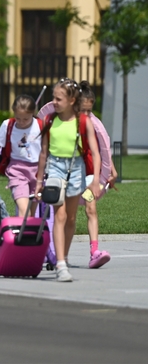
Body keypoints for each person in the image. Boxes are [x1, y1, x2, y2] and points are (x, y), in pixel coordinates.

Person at [36, 78, 101, 282]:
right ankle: (61, 264)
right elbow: (44, 153)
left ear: (72, 100)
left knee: (71, 218)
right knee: (60, 216)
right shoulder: (49, 120)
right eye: (53, 98)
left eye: (58, 98)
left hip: (76, 168)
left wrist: (95, 180)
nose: (54, 102)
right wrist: (39, 181)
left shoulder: (83, 121)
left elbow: (96, 153)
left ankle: (64, 254)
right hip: (55, 168)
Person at [77, 81, 117, 268]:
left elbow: (103, 150)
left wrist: (111, 170)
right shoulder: (66, 123)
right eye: (82, 110)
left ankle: (94, 252)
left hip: (91, 175)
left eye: (89, 110)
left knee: (90, 208)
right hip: (71, 174)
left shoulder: (94, 124)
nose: (86, 115)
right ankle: (54, 253)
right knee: (64, 216)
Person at [0, 95, 42, 218]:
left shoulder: (40, 126)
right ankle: (23, 235)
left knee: (31, 212)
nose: (21, 122)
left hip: (38, 172)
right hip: (17, 170)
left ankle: (27, 234)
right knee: (24, 208)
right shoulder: (8, 125)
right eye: (18, 118)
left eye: (25, 119)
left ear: (33, 113)